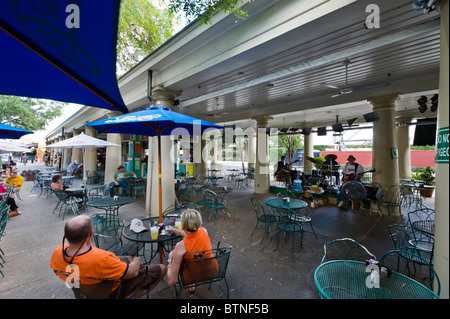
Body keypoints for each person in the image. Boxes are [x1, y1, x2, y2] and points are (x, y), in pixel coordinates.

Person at [50, 215, 166, 299]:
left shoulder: (58, 252)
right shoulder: (101, 259)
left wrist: (127, 260)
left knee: (128, 258)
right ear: (91, 234)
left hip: (84, 289)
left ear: (66, 236)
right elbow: (133, 272)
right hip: (110, 293)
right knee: (161, 268)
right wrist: (137, 260)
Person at [166, 209, 218, 292]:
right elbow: (191, 234)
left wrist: (169, 262)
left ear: (183, 226)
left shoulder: (180, 246)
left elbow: (171, 281)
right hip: (211, 271)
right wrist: (173, 230)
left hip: (193, 275)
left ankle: (192, 283)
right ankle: (192, 285)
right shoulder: (203, 230)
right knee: (192, 256)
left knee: (173, 255)